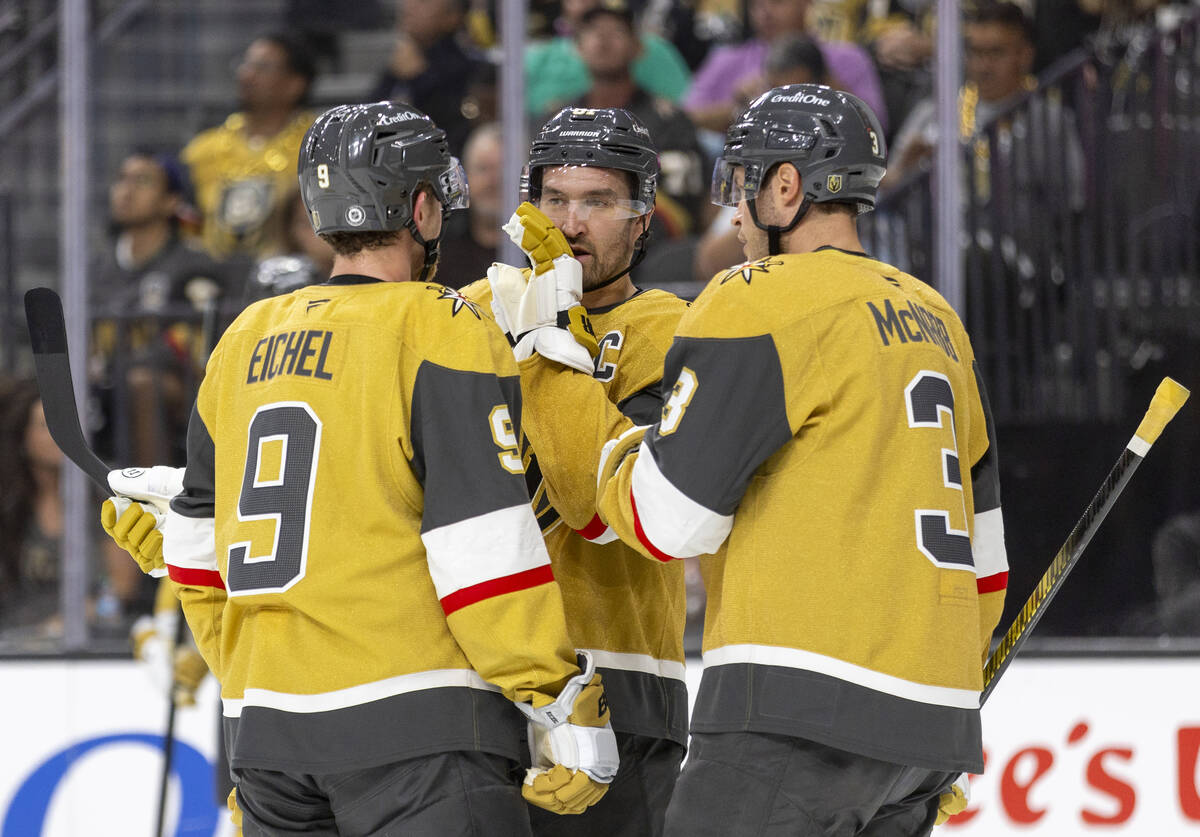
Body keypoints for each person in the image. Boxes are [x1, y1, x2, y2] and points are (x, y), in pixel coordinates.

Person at [497, 84, 1009, 834]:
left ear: (785, 187)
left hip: (797, 707)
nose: (734, 216)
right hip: (927, 732)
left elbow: (662, 520)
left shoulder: (757, 299)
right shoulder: (936, 318)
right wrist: (938, 707)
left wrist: (551, 362)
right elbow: (986, 563)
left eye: (742, 188)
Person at [101, 101, 618, 834]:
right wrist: (554, 692)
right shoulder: (435, 323)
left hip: (268, 742)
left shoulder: (244, 336)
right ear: (419, 205)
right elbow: (481, 543)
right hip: (416, 729)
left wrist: (246, 686)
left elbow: (195, 549)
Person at [464, 105, 691, 836]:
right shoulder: (466, 317)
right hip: (477, 679)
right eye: (554, 200)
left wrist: (546, 339)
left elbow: (598, 510)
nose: (571, 223)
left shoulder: (677, 331)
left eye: (598, 202)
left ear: (643, 219)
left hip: (622, 681)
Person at [91, 150, 229, 468]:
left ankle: (150, 501)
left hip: (176, 385)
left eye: (143, 182)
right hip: (103, 381)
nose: (126, 191)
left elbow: (201, 347)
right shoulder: (95, 265)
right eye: (122, 180)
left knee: (143, 382)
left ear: (171, 202)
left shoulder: (194, 264)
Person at [182, 32, 317, 260]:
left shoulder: (317, 144)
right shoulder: (202, 149)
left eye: (262, 67)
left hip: (295, 279)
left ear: (295, 84)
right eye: (245, 64)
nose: (246, 75)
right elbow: (187, 217)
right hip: (211, 279)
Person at [683, 0, 887, 134]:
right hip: (741, 172)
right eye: (757, 4)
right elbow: (682, 120)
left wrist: (820, 85)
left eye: (777, 1)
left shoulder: (847, 58)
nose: (766, 11)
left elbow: (876, 128)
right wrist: (741, 108)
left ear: (806, 4)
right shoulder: (727, 59)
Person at [525, 0, 693, 118]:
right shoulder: (559, 117)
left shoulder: (662, 117)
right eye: (593, 31)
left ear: (637, 47)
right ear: (578, 48)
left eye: (616, 31)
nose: (603, 39)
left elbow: (686, 107)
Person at [434, 122, 505, 288]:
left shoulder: (537, 258)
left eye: (503, 169)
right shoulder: (441, 262)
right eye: (483, 169)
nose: (494, 180)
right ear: (463, 180)